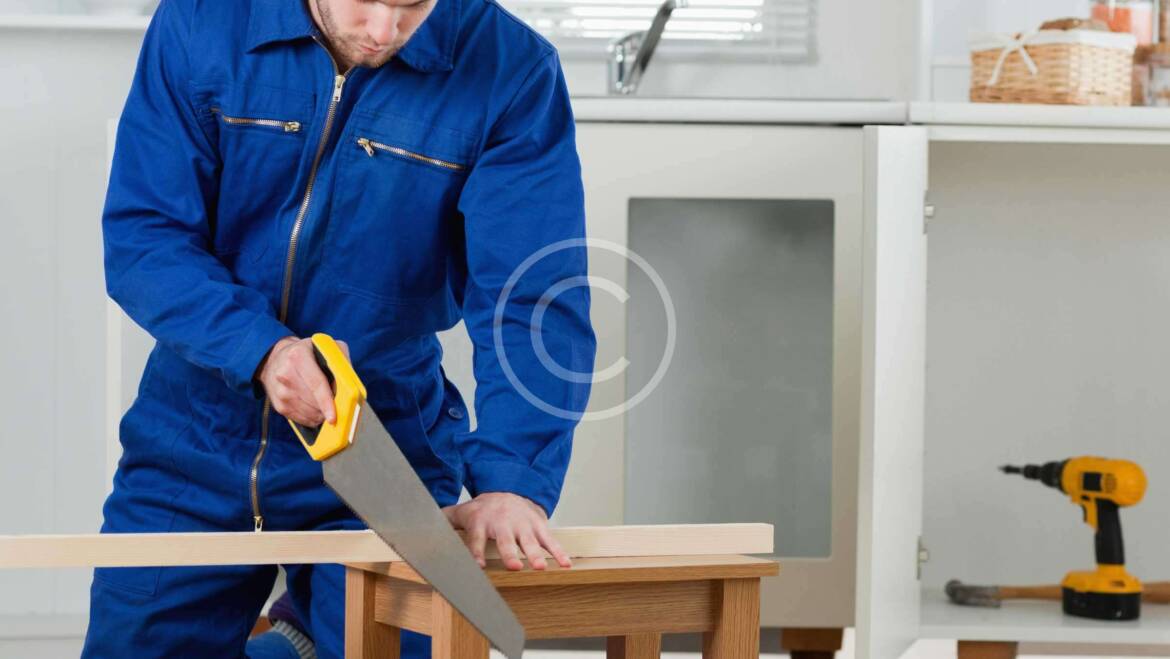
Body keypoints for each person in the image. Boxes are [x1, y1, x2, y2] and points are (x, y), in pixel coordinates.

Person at [83, 0, 595, 656]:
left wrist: (512, 480)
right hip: (193, 444)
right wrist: (261, 351)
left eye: (413, 5)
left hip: (386, 448)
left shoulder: (511, 69)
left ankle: (300, 633)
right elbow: (147, 237)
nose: (384, 32)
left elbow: (532, 298)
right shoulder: (202, 20)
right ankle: (297, 638)